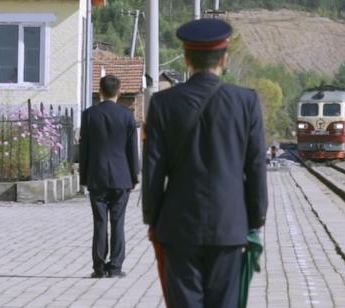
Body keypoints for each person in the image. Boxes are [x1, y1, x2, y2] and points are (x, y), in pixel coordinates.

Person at [142, 18, 268, 308]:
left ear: (187, 59)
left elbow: (153, 169)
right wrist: (255, 220)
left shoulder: (163, 104)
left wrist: (154, 219)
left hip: (178, 227)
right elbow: (256, 167)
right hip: (230, 226)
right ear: (224, 59)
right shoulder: (245, 102)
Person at [80, 74, 139, 278]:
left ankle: (98, 267)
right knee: (118, 222)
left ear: (100, 91)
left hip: (96, 176)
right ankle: (115, 267)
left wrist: (84, 178)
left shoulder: (88, 115)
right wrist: (134, 177)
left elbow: (84, 150)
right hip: (122, 177)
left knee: (99, 222)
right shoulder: (127, 116)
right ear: (119, 92)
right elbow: (133, 150)